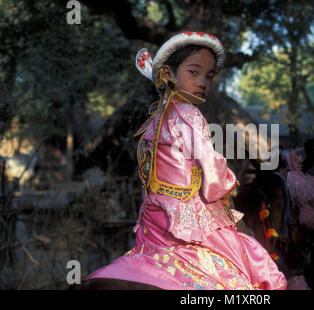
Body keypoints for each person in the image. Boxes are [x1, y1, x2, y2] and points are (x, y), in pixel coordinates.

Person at [84, 32, 287, 290]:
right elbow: (212, 173)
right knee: (253, 263)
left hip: (154, 222)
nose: (202, 82)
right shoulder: (190, 113)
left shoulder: (153, 120)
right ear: (168, 73)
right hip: (186, 219)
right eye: (194, 72)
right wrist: (229, 180)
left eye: (209, 76)